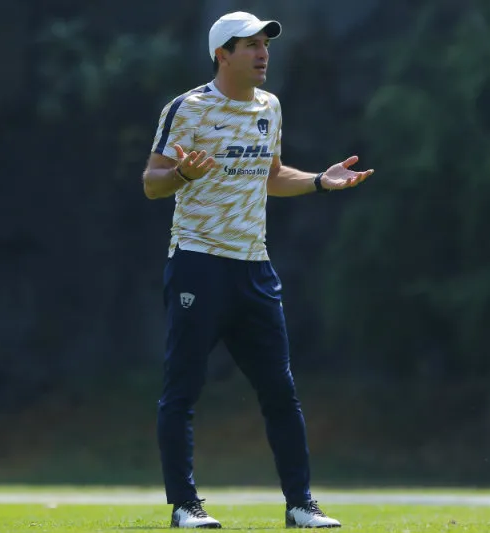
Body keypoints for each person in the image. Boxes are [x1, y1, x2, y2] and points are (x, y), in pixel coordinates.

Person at [142, 11, 374, 529]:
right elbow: (152, 183)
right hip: (199, 264)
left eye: (265, 44)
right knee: (182, 390)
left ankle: (301, 505)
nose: (262, 52)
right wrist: (181, 171)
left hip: (254, 269)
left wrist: (320, 180)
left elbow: (270, 177)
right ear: (221, 55)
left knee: (280, 392)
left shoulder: (270, 106)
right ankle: (185, 506)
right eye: (249, 45)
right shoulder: (188, 108)